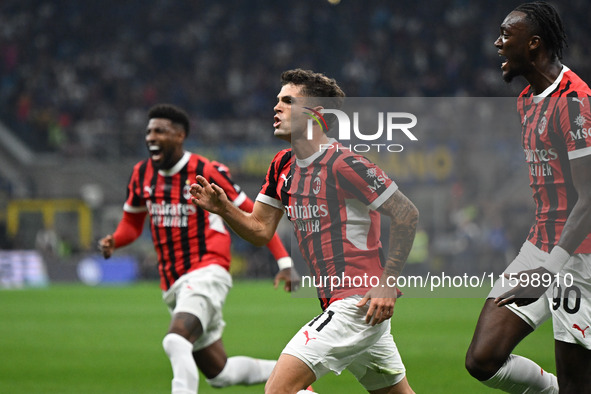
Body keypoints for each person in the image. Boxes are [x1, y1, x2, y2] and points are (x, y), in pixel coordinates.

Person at [190, 68, 418, 394]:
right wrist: (224, 208)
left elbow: (407, 213)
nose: (276, 107)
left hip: (355, 302)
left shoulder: (345, 163)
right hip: (349, 307)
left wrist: (387, 282)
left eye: (287, 101)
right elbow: (259, 230)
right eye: (277, 100)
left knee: (279, 389)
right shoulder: (282, 165)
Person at [99, 103, 297, 394]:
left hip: (207, 271)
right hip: (173, 282)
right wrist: (115, 240)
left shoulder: (205, 170)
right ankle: (293, 377)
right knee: (220, 373)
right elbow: (132, 223)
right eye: (149, 131)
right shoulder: (141, 174)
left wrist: (284, 262)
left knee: (175, 340)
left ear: (179, 136)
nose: (151, 137)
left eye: (160, 131)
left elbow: (256, 216)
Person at [465, 2, 591, 393]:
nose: (498, 44)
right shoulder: (526, 100)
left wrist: (551, 269)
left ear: (534, 44)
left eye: (506, 36)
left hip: (580, 256)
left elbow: (589, 198)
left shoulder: (575, 101)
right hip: (541, 245)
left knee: (577, 381)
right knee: (483, 359)